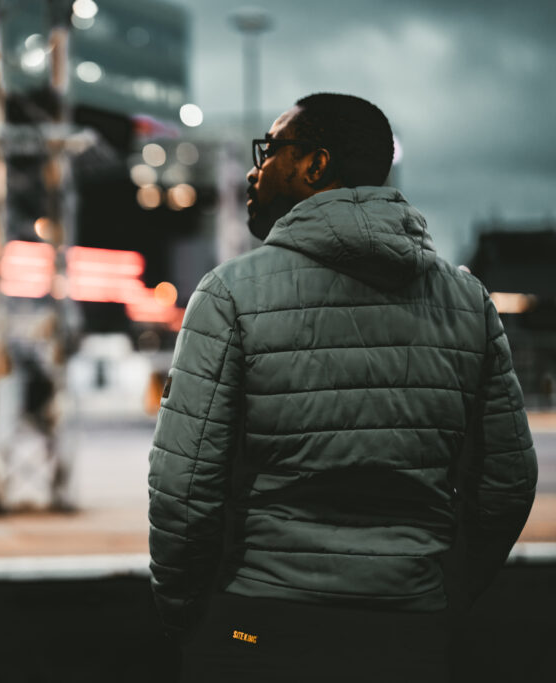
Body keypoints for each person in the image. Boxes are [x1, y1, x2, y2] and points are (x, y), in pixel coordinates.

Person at [147, 93, 537, 682]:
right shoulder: (467, 303)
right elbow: (508, 483)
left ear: (315, 166)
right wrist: (443, 593)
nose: (256, 170)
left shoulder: (230, 294)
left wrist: (187, 616)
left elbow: (183, 486)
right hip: (409, 630)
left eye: (270, 150)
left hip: (259, 626)